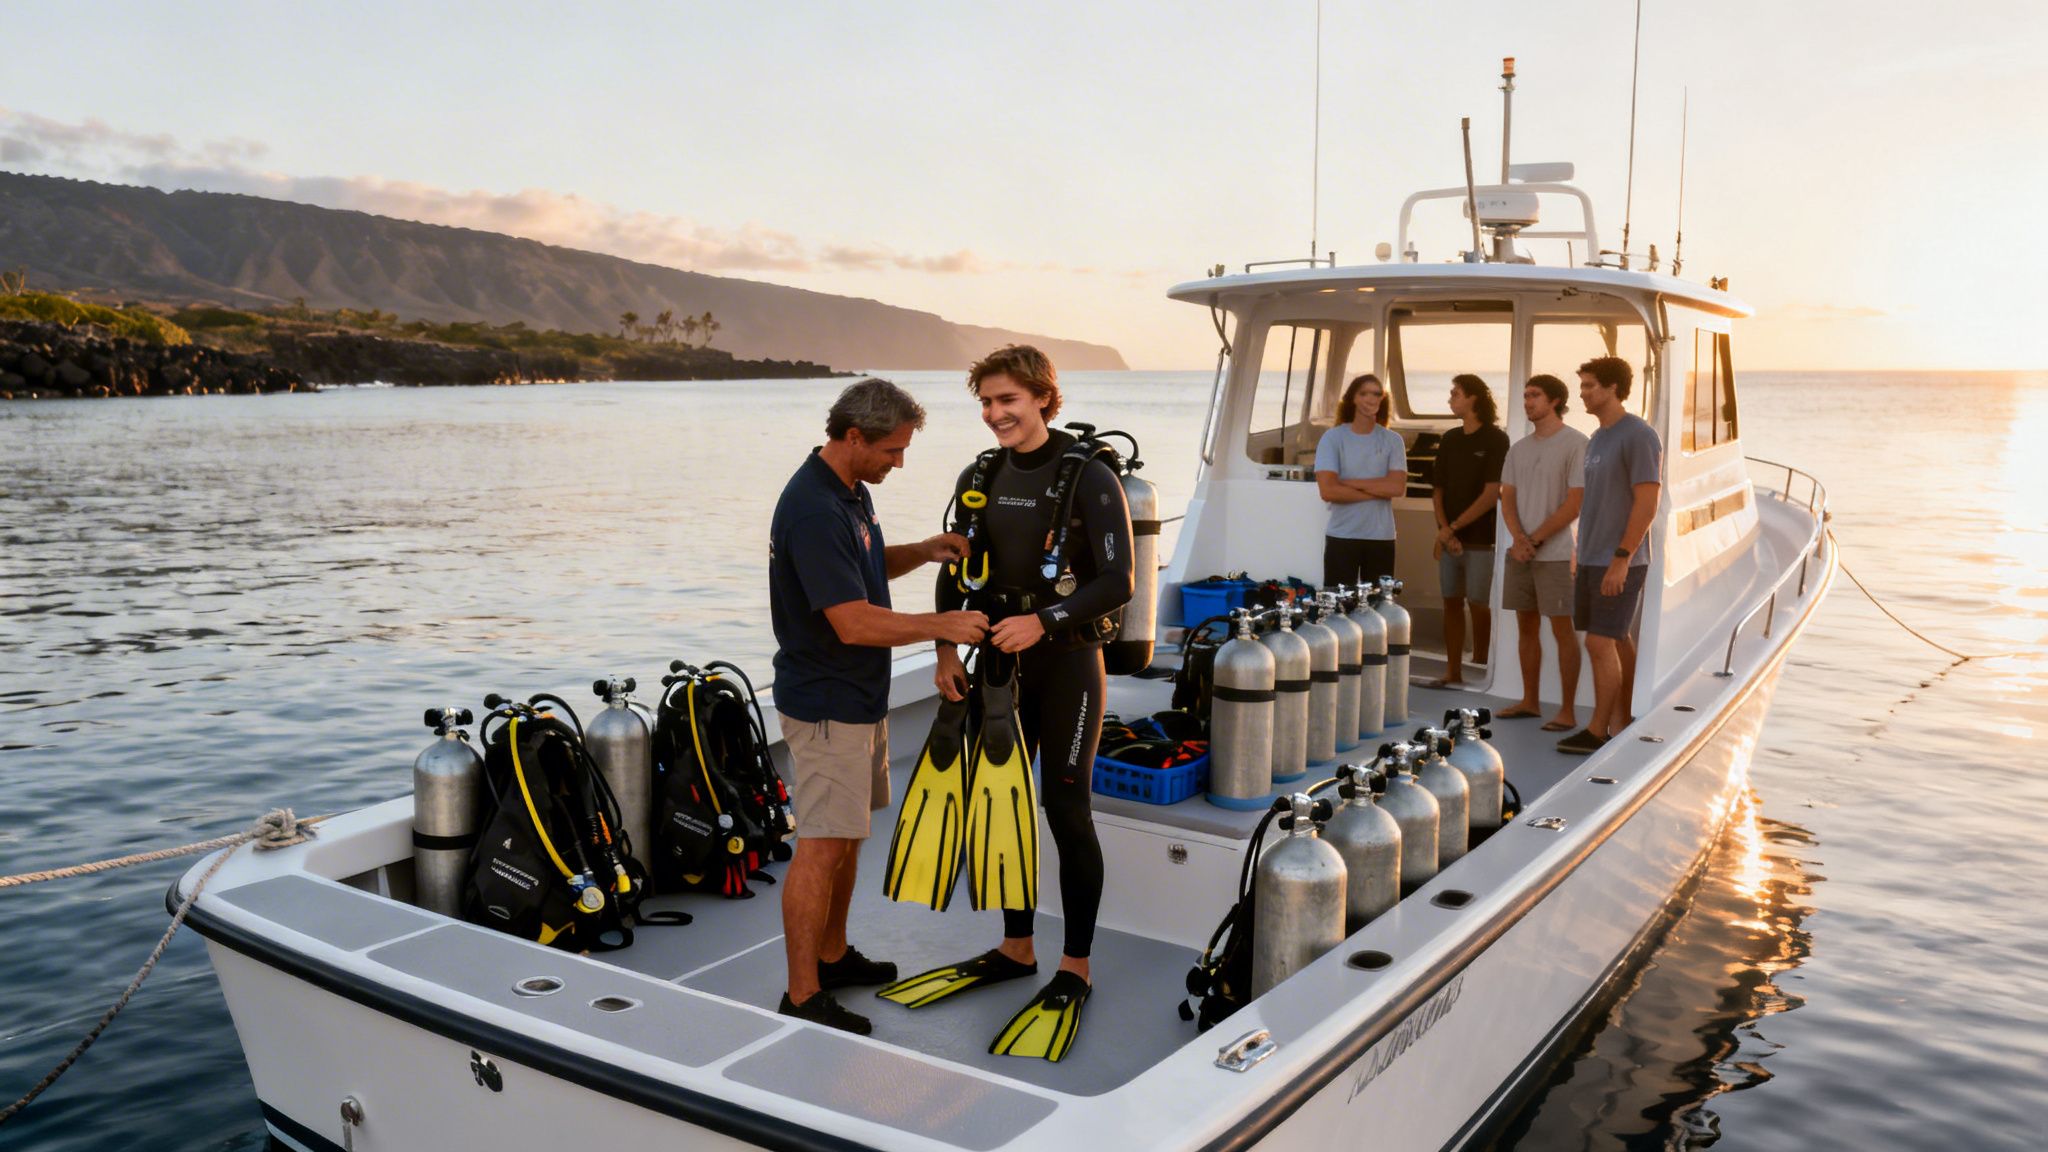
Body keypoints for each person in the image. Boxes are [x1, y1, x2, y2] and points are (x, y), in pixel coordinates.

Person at [883, 343, 1133, 1061]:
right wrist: (938, 650)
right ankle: (1016, 948)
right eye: (986, 403)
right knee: (1003, 802)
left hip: (1067, 663)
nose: (996, 415)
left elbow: (1118, 582)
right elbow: (954, 565)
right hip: (995, 660)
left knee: (1065, 807)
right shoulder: (981, 475)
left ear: (1043, 399)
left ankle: (1075, 966)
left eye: (1008, 401)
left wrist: (1046, 621)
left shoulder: (1088, 476)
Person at [769, 377, 989, 1034]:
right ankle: (804, 994)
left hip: (860, 699)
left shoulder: (849, 493)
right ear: (854, 437)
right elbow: (852, 621)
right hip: (828, 704)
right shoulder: (812, 508)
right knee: (821, 847)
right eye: (892, 451)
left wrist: (921, 552)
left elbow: (860, 573)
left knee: (848, 841)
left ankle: (832, 957)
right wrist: (943, 627)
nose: (900, 463)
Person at [1558, 356, 1661, 755]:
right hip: (1591, 557)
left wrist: (1622, 557)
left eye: (1589, 386)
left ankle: (1598, 731)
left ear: (1613, 388)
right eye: (1582, 385)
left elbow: (1647, 503)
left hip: (1620, 560)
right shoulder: (1598, 437)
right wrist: (1579, 551)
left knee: (1599, 643)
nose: (1582, 393)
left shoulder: (1638, 435)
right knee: (1616, 641)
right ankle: (1624, 720)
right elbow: (1595, 503)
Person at [1495, 374, 1587, 731]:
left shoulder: (1576, 443)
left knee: (1564, 631)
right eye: (1525, 395)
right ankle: (1530, 701)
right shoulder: (1519, 448)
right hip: (1521, 552)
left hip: (1558, 554)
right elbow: (1508, 498)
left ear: (1555, 401)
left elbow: (1574, 503)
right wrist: (1519, 539)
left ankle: (1567, 710)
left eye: (1535, 395)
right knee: (1526, 627)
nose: (1527, 401)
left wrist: (1532, 540)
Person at [1427, 374, 1509, 687]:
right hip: (1450, 539)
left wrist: (1454, 529)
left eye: (1456, 393)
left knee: (1478, 602)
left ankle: (1481, 665)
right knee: (1450, 601)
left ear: (1473, 398)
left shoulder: (1496, 439)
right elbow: (1438, 491)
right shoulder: (1449, 439)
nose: (1451, 399)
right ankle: (1453, 671)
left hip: (1481, 540)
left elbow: (1491, 494)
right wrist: (1445, 531)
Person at [1315, 373, 1408, 589]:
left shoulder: (1393, 441)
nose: (1371, 398)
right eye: (1364, 393)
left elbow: (1396, 487)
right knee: (1338, 608)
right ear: (1353, 398)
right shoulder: (1333, 438)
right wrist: (1378, 490)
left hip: (1381, 537)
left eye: (1376, 394)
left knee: (1378, 608)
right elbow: (1328, 492)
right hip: (1342, 536)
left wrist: (1347, 482)